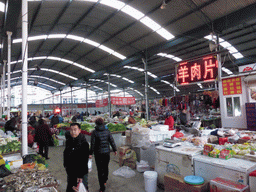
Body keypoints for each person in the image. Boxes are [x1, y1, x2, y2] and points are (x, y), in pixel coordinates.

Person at [89, 117, 117, 192]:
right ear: (103, 123)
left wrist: (90, 153)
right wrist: (115, 150)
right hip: (106, 153)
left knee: (100, 170)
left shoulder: (94, 132)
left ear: (96, 124)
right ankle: (105, 179)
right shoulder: (107, 131)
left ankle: (102, 187)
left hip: (98, 154)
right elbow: (112, 141)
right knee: (105, 167)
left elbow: (93, 144)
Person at [64, 123, 89, 192]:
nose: (73, 132)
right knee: (71, 187)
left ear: (79, 130)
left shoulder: (84, 143)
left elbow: (84, 161)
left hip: (80, 172)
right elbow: (66, 153)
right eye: (71, 130)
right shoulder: (69, 140)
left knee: (80, 189)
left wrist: (80, 176)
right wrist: (65, 165)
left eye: (75, 130)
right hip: (70, 171)